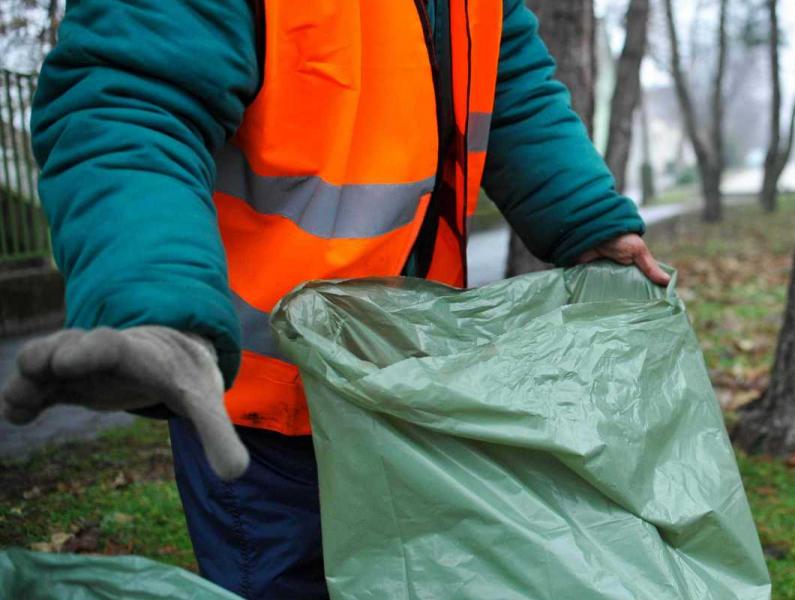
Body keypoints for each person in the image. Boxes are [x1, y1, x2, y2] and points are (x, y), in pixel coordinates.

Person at [0, 1, 670, 598]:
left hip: (405, 379)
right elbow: (128, 101)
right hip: (263, 404)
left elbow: (506, 73)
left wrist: (584, 216)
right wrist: (149, 305)